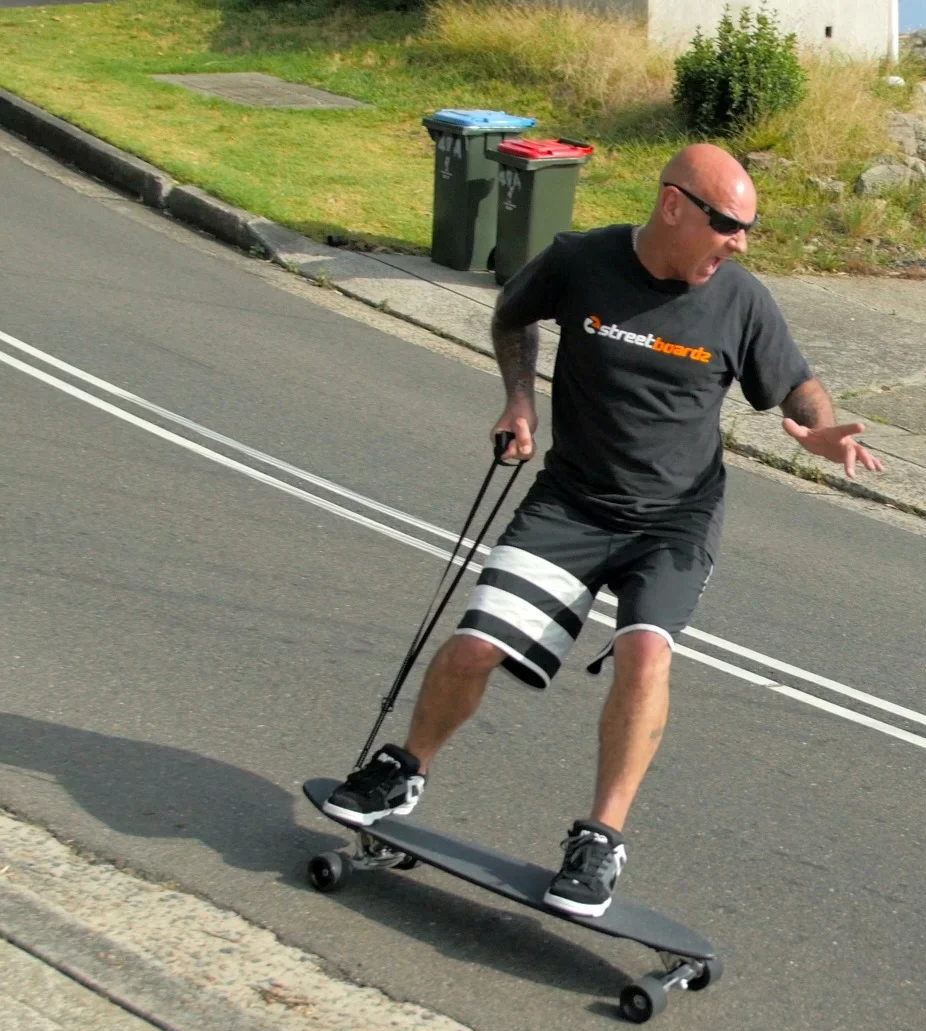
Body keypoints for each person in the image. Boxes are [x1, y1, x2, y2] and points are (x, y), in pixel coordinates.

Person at [324, 143, 883, 916]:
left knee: (646, 654)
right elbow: (513, 314)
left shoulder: (740, 301)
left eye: (749, 229)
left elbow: (798, 388)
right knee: (476, 643)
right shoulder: (580, 261)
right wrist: (519, 399)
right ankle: (404, 768)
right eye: (729, 224)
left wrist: (821, 433)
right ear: (674, 206)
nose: (740, 243)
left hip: (673, 522)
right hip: (572, 504)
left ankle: (599, 841)